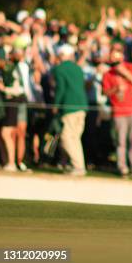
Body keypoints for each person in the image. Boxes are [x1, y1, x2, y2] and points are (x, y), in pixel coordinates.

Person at [102, 42, 132, 177]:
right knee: (121, 141)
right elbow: (105, 92)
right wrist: (116, 89)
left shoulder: (131, 67)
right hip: (119, 111)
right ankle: (122, 167)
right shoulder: (108, 74)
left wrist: (124, 72)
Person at [52, 44, 88, 176]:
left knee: (67, 137)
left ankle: (78, 167)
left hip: (69, 106)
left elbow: (60, 89)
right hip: (82, 106)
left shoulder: (59, 69)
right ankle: (79, 166)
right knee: (75, 138)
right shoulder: (78, 68)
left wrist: (56, 105)